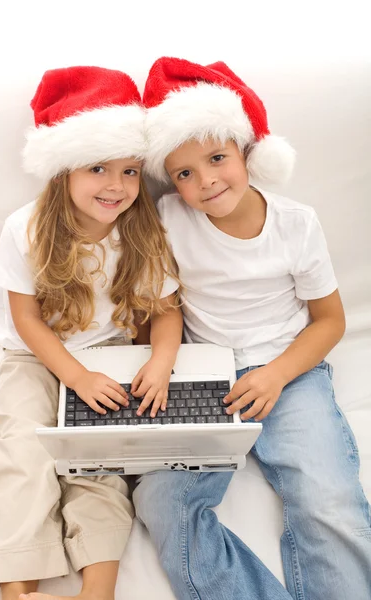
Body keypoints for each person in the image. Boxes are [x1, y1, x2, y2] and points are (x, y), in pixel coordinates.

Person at [133, 57, 371, 600]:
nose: (206, 181)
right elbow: (166, 305)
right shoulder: (170, 218)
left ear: (247, 151)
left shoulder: (296, 223)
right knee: (162, 500)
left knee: (327, 499)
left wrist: (276, 376)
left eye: (217, 158)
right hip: (206, 373)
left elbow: (329, 321)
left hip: (289, 373)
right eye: (184, 173)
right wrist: (165, 360)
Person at [0, 65, 182, 600]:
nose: (117, 186)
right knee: (18, 455)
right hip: (31, 355)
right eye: (98, 168)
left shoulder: (143, 228)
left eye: (130, 171)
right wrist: (74, 375)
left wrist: (160, 360)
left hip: (110, 353)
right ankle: (17, 591)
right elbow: (25, 319)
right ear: (63, 170)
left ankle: (97, 590)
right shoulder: (27, 227)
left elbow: (165, 310)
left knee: (100, 465)